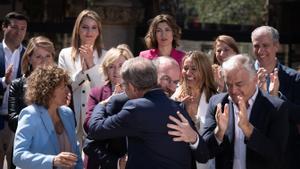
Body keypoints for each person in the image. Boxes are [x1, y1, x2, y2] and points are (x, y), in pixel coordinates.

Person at [88, 57, 209, 169]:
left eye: (176, 82)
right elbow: (91, 142)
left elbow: (203, 155)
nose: (172, 87)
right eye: (166, 79)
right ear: (154, 77)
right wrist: (117, 163)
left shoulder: (175, 108)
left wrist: (194, 138)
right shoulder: (177, 110)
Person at [200, 54, 288, 169]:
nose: (233, 90)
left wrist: (248, 129)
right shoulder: (217, 103)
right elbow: (204, 153)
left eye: (239, 84)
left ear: (255, 79)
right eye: (229, 84)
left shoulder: (276, 107)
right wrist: (219, 132)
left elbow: (278, 156)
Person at [13, 66, 83, 169]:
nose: (67, 91)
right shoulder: (30, 114)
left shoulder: (67, 113)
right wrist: (52, 161)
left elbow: (75, 151)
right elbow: (18, 156)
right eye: (63, 86)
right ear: (49, 90)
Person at [251, 26, 300, 169]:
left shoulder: (293, 77)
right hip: (249, 152)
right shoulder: (244, 75)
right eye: (256, 46)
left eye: (265, 45)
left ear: (276, 46)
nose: (260, 51)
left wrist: (276, 97)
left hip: (283, 155)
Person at [58, 9, 106, 148]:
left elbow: (103, 90)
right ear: (78, 29)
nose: (89, 32)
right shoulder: (65, 54)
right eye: (85, 27)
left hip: (95, 119)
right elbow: (65, 88)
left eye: (93, 27)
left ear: (98, 31)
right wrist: (82, 72)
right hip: (69, 118)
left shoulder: (107, 55)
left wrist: (91, 66)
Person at [83, 46, 133, 169]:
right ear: (106, 69)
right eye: (111, 66)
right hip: (102, 160)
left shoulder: (137, 93)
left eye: (121, 65)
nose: (116, 71)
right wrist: (110, 101)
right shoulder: (97, 93)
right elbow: (89, 125)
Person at [172, 51, 217, 169]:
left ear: (204, 71)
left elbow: (215, 138)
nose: (188, 73)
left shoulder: (216, 99)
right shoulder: (174, 95)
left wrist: (192, 119)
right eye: (185, 68)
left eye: (193, 69)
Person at [0, 12, 28, 169]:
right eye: (15, 27)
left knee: (15, 164)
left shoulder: (29, 55)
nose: (19, 32)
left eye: (23, 28)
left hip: (18, 121)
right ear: (4, 27)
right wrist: (4, 81)